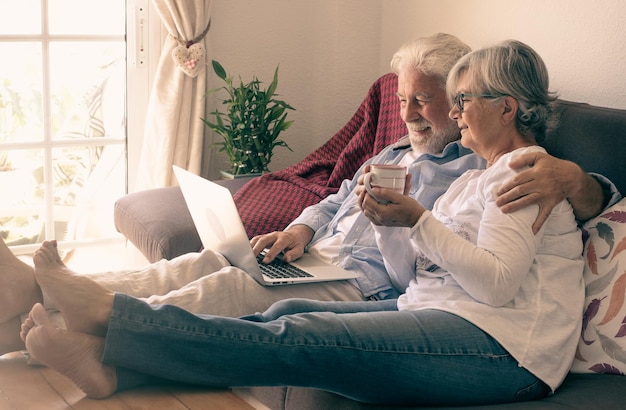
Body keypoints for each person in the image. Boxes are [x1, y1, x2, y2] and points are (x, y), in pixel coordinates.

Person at [22, 39, 589, 406]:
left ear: (507, 107)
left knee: (305, 334)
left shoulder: (529, 173)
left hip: (504, 349)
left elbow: (495, 282)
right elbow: (419, 270)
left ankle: (111, 317)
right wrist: (392, 225)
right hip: (443, 311)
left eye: (463, 100)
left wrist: (414, 219)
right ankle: (112, 367)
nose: (457, 112)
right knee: (286, 309)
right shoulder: (472, 179)